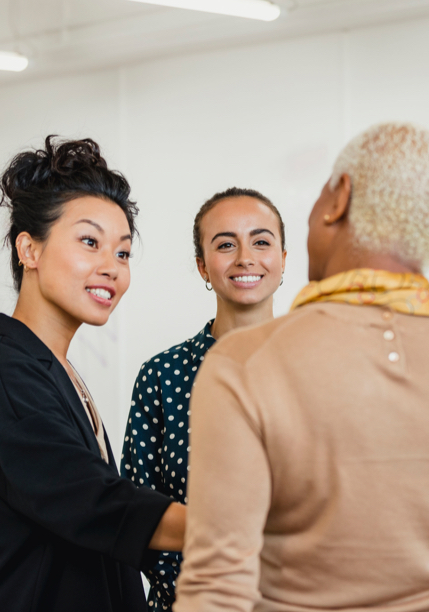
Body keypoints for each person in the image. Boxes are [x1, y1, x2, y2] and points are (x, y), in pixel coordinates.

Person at [174, 122, 429, 612]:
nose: (245, 257)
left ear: (338, 197)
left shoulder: (242, 364)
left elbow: (216, 588)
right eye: (225, 244)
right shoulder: (190, 367)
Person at [0, 136, 185, 612]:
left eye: (123, 253)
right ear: (30, 250)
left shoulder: (52, 368)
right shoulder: (8, 378)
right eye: (90, 242)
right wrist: (241, 527)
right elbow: (93, 501)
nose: (111, 268)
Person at [121, 187, 287, 610]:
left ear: (283, 260)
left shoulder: (322, 365)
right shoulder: (161, 377)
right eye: (226, 244)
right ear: (202, 266)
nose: (245, 257)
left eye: (262, 241)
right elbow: (135, 514)